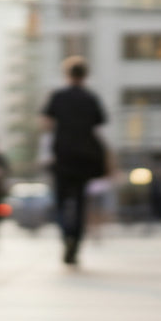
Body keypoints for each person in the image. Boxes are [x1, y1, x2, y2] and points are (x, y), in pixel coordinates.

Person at [42, 56, 107, 264]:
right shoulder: (90, 98)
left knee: (61, 202)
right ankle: (76, 242)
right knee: (80, 202)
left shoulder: (58, 96)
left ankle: (66, 236)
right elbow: (99, 123)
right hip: (85, 157)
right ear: (85, 75)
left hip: (62, 156)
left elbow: (46, 124)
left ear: (67, 74)